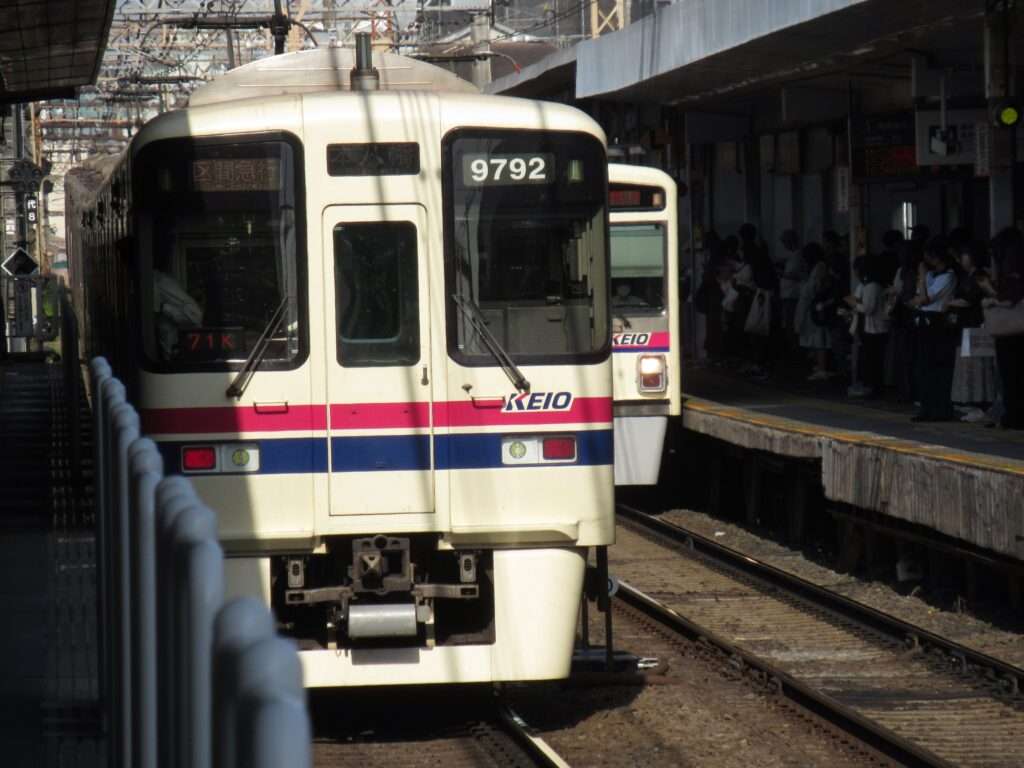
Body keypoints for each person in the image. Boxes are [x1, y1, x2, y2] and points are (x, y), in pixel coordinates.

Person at [907, 236, 958, 422]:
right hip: (924, 321)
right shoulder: (931, 275)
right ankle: (926, 407)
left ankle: (939, 408)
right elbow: (918, 297)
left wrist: (921, 276)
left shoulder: (949, 276)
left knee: (938, 366)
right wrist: (923, 278)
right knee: (923, 366)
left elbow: (925, 298)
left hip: (937, 322)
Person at [949, 241, 998, 419]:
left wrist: (949, 303)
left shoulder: (978, 275)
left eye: (965, 255)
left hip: (975, 325)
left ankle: (979, 403)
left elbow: (970, 299)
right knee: (970, 363)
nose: (962, 259)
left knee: (976, 365)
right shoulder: (968, 275)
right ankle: (972, 402)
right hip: (967, 324)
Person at [987, 228, 1024, 429]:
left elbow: (1008, 299)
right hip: (1018, 330)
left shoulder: (1011, 270)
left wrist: (990, 299)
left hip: (1010, 331)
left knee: (1011, 375)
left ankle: (1014, 416)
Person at [846, 255, 891, 398]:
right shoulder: (868, 285)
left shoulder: (872, 286)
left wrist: (853, 304)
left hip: (875, 328)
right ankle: (871, 386)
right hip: (869, 327)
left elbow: (868, 308)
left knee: (873, 359)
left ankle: (874, 388)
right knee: (870, 358)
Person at [795, 243, 833, 380]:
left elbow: (815, 287)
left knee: (818, 337)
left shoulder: (820, 267)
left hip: (815, 305)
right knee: (814, 337)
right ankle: (819, 365)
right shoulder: (815, 267)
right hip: (810, 304)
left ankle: (822, 367)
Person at [778, 229, 804, 354]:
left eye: (785, 242)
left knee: (791, 323)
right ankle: (793, 348)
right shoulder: (793, 256)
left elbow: (798, 275)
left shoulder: (798, 256)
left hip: (793, 294)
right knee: (788, 323)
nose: (784, 245)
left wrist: (782, 274)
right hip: (788, 293)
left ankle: (795, 350)